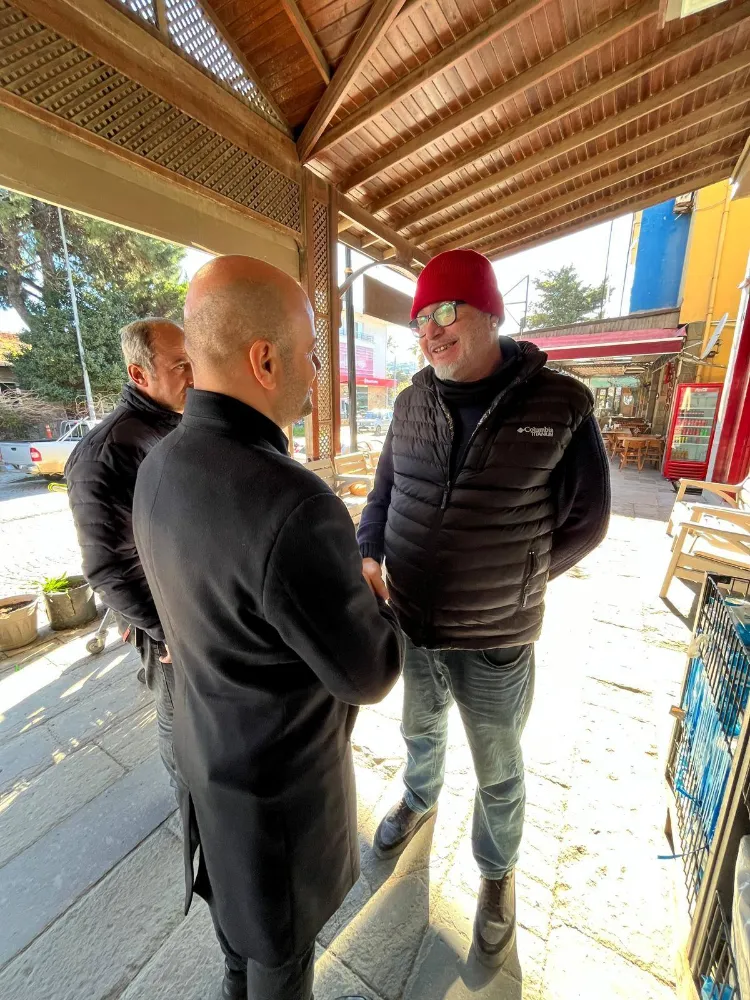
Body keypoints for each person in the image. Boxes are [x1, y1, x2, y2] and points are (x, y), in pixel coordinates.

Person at [132, 255, 402, 1000]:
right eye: (311, 354)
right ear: (264, 359)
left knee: (236, 944)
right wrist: (375, 595)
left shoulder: (158, 464)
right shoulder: (293, 503)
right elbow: (369, 673)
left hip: (205, 759)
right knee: (279, 966)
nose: (316, 370)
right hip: (277, 800)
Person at [358, 248, 610, 969]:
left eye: (445, 311)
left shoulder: (559, 403)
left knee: (498, 767)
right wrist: (368, 550)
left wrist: (520, 578)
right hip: (413, 621)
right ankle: (418, 798)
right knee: (419, 728)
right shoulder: (410, 402)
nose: (430, 331)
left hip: (497, 636)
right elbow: (383, 492)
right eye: (420, 321)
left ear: (490, 313)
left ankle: (497, 875)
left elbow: (587, 520)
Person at [66, 318, 193, 790]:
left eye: (194, 362)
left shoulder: (177, 425)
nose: (194, 375)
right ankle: (190, 811)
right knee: (181, 723)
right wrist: (163, 633)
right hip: (168, 626)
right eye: (180, 365)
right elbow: (107, 566)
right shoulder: (107, 452)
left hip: (195, 611)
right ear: (139, 374)